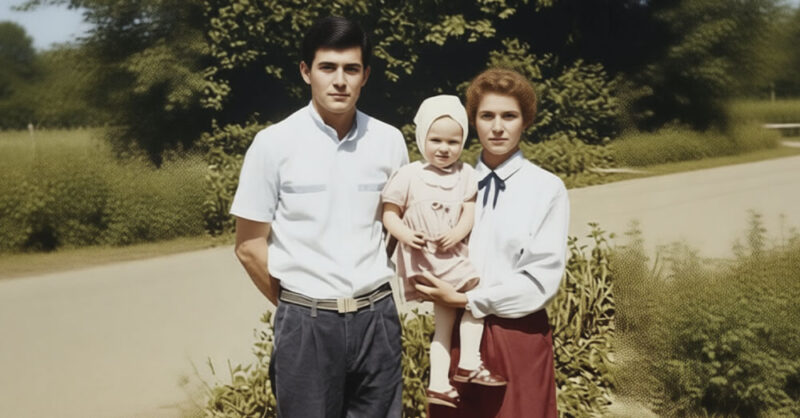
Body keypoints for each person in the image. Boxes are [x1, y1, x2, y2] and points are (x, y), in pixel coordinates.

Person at [230, 16, 408, 418]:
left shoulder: (389, 141)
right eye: (328, 67)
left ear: (365, 75)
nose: (339, 81)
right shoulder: (273, 144)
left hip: (377, 320)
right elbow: (249, 245)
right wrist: (298, 306)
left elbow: (392, 228)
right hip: (306, 325)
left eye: (351, 69)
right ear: (306, 71)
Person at [416, 68, 569, 418]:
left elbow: (541, 278)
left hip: (516, 333)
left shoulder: (546, 188)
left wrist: (469, 299)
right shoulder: (451, 182)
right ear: (473, 122)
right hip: (459, 335)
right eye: (487, 116)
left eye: (509, 116)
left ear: (526, 121)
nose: (497, 127)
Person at [381, 95, 506, 409]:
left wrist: (457, 233)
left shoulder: (465, 175)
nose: (444, 148)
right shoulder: (409, 175)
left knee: (444, 325)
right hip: (426, 259)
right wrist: (406, 235)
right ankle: (469, 361)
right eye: (435, 140)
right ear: (421, 138)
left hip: (451, 255)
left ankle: (438, 384)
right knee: (477, 296)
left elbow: (469, 213)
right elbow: (390, 215)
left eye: (453, 141)